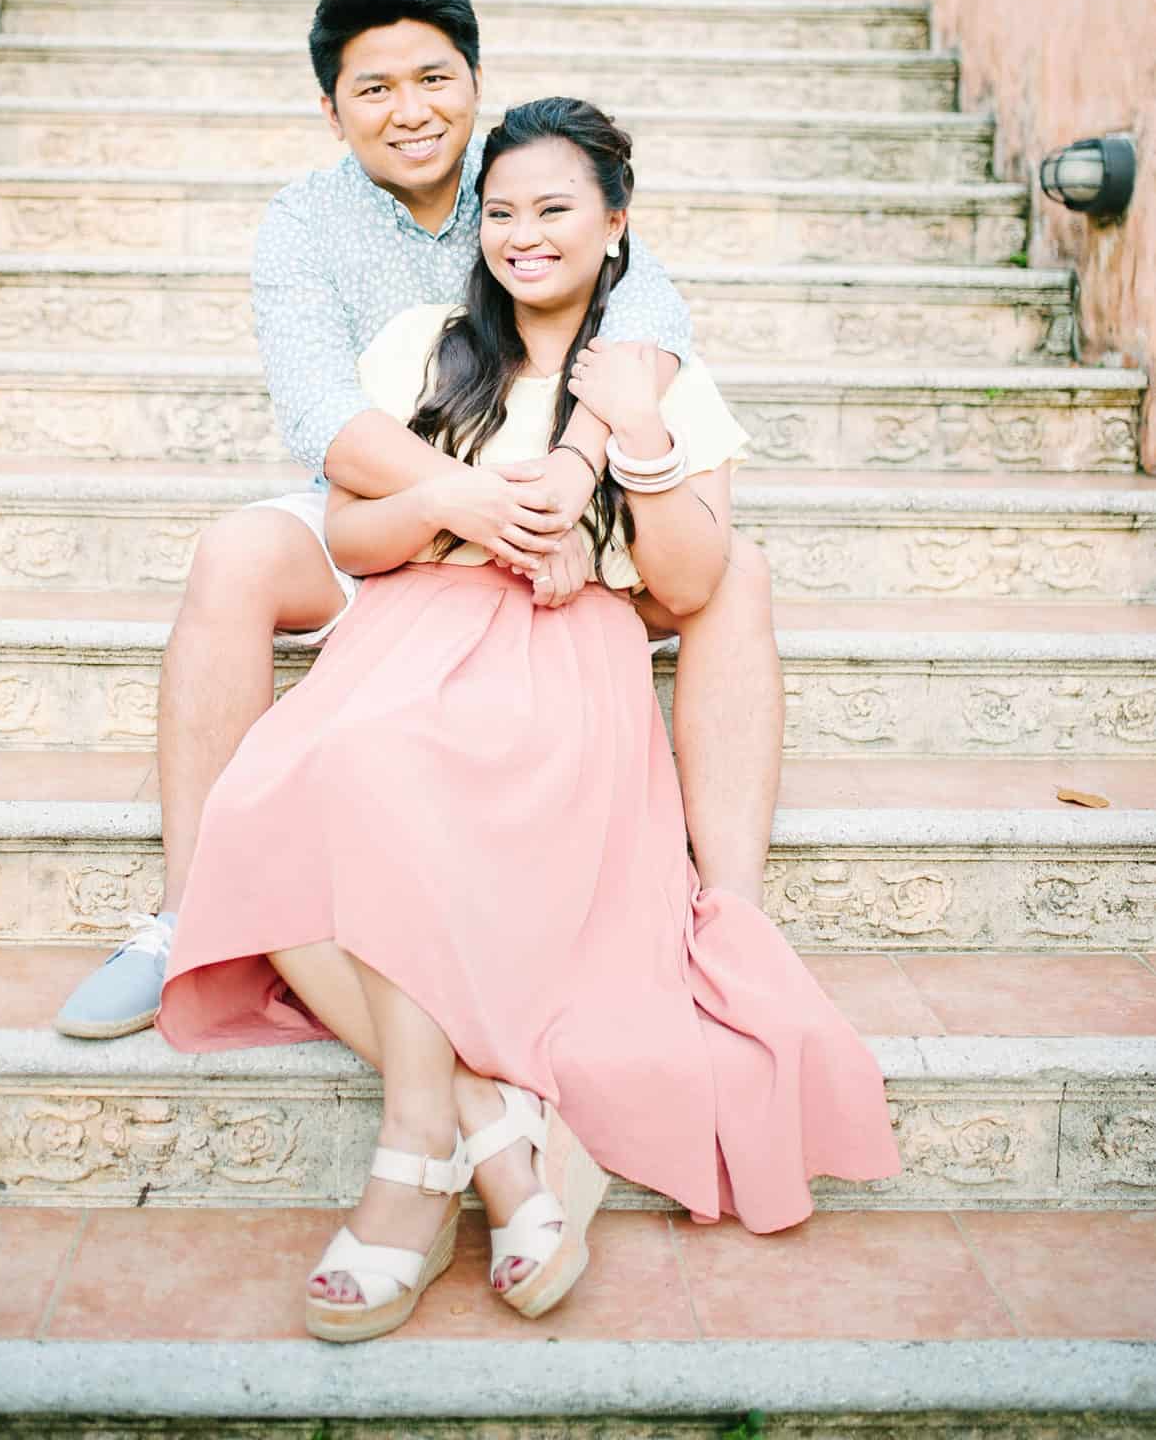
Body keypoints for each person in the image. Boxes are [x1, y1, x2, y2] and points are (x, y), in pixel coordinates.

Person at [155, 98, 901, 1343]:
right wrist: (461, 510)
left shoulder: (659, 378)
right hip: (410, 630)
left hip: (568, 654)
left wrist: (640, 440)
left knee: (384, 775)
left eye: (555, 208)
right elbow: (348, 532)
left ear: (616, 223)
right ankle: (488, 1123)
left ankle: (413, 1158)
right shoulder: (425, 345)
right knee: (270, 805)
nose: (523, 234)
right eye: (501, 211)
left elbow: (693, 582)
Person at [55, 0, 784, 1040]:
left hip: (565, 508)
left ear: (476, 79)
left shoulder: (533, 175)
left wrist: (572, 476)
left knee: (735, 570)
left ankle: (732, 912)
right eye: (375, 88)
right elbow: (323, 414)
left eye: (434, 78)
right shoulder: (305, 222)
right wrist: (471, 500)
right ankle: (187, 910)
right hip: (399, 512)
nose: (411, 110)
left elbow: (650, 320)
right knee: (233, 554)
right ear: (332, 108)